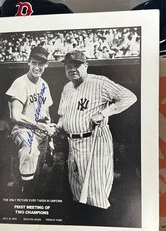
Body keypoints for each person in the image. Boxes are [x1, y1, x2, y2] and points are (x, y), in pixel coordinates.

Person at [57, 50, 137, 209]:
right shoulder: (67, 87)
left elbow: (129, 97)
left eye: (77, 65)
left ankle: (101, 223)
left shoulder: (99, 83)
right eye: (68, 66)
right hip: (73, 143)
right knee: (77, 190)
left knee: (94, 191)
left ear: (86, 66)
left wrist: (104, 113)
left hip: (94, 141)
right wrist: (59, 125)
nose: (72, 69)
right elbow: (62, 114)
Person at [6, 46, 55, 195]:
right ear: (28, 62)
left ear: (46, 65)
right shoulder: (20, 83)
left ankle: (31, 195)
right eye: (34, 63)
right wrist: (39, 125)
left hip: (42, 132)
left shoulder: (44, 85)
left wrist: (50, 138)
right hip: (23, 129)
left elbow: (47, 113)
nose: (37, 67)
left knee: (38, 174)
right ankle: (24, 195)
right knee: (29, 151)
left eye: (41, 64)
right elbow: (15, 115)